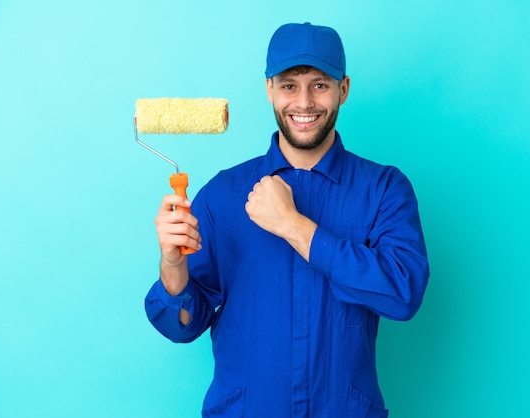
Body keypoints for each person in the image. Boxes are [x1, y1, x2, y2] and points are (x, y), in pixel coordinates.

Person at [145, 22, 429, 418]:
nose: (304, 102)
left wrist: (295, 227)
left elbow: (403, 293)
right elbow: (180, 325)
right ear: (269, 91)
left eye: (320, 84)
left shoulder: (383, 190)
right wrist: (173, 266)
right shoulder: (224, 195)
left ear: (343, 89)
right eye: (289, 85)